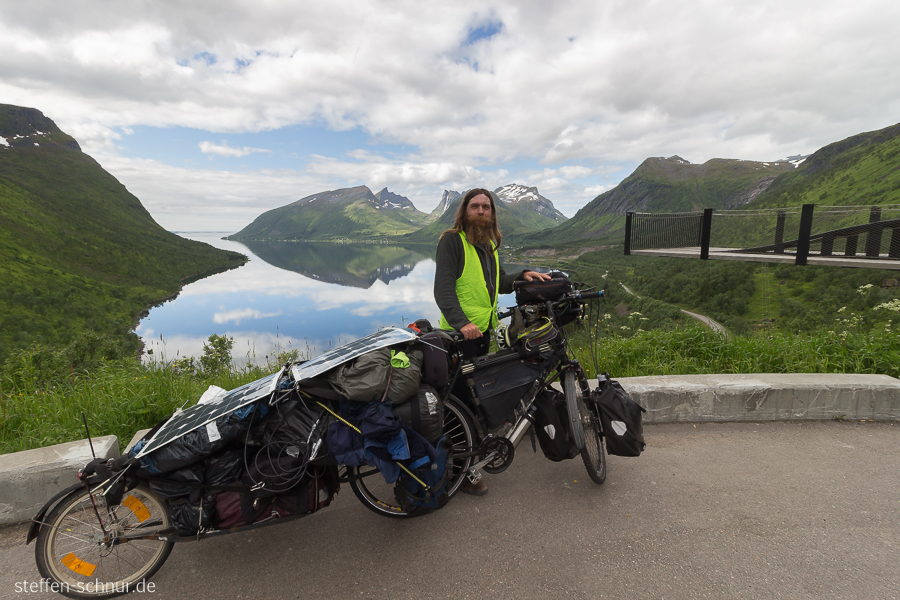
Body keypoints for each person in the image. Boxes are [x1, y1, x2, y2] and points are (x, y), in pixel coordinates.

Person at [434, 188, 550, 495]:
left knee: (474, 404)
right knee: (457, 408)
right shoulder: (452, 241)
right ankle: (458, 473)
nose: (481, 211)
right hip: (459, 337)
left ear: (492, 213)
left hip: (482, 334)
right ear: (465, 211)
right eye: (475, 206)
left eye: (486, 207)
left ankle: (468, 461)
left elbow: (498, 282)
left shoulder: (488, 246)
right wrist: (463, 323)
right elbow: (443, 290)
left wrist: (524, 275)